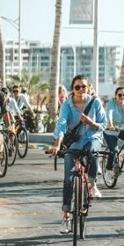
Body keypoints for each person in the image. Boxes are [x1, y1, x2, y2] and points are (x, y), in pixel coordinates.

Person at [49, 75, 106, 234]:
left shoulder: (95, 102)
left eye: (84, 87)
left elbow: (104, 124)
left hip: (92, 138)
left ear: (88, 88)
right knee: (68, 179)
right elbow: (61, 124)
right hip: (74, 141)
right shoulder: (67, 105)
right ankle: (66, 216)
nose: (81, 89)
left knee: (93, 151)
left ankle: (92, 184)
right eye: (77, 87)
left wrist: (91, 123)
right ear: (72, 89)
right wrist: (57, 144)